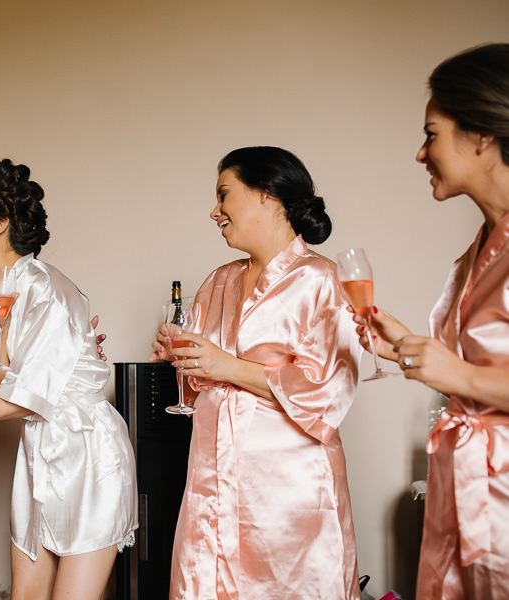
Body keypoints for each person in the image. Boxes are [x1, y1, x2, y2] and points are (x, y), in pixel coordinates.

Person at [0, 159, 137, 600]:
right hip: (38, 452)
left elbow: (23, 399)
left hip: (88, 455)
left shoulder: (43, 287)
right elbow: (2, 383)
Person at [151, 146, 362, 599]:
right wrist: (182, 358)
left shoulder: (322, 280)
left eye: (224, 195)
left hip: (287, 494)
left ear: (266, 194)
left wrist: (227, 365)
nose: (215, 211)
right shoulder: (219, 280)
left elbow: (328, 392)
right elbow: (198, 388)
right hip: (211, 480)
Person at [356, 43, 509, 600]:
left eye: (431, 133)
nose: (421, 154)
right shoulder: (475, 252)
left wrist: (455, 376)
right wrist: (412, 350)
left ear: (482, 135)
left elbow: (467, 376)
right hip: (464, 494)